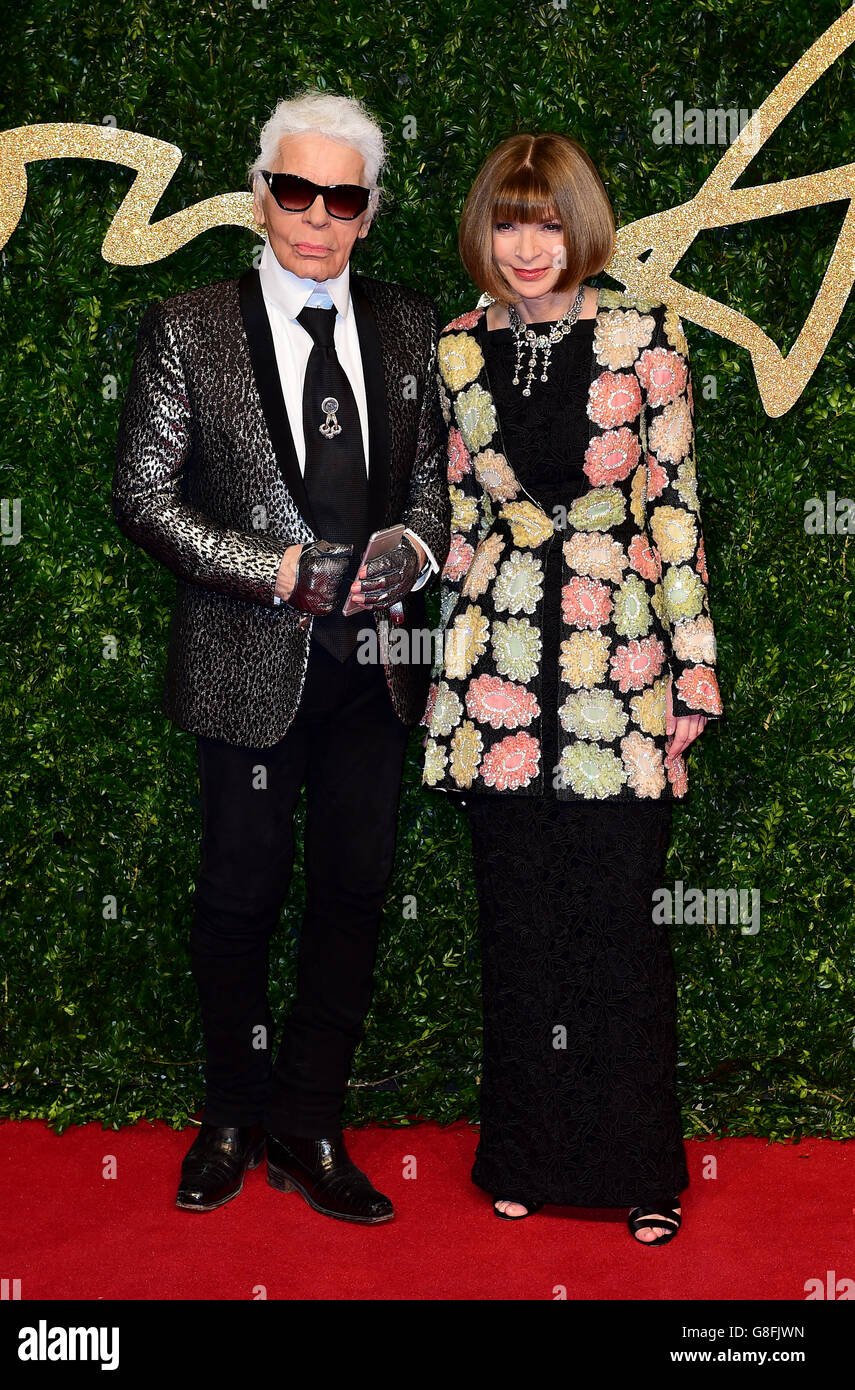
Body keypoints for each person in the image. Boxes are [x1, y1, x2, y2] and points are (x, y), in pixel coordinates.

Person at [113, 89, 449, 1224]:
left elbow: (434, 489)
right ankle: (227, 1113)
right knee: (237, 895)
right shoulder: (186, 325)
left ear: (366, 212)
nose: (315, 215)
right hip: (245, 664)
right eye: (294, 189)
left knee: (353, 892)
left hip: (379, 669)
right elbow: (144, 498)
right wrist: (276, 569)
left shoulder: (412, 326)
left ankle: (308, 1121)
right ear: (261, 193)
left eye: (340, 197)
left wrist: (413, 546)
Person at [422, 132, 724, 1245]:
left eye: (548, 222)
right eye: (509, 222)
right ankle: (525, 1154)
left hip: (621, 659)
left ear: (581, 225)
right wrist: (445, 691)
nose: (529, 245)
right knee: (518, 924)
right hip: (498, 656)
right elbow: (458, 522)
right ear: (484, 233)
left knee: (619, 929)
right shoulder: (456, 349)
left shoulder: (647, 339)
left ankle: (640, 1168)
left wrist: (688, 684)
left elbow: (676, 513)